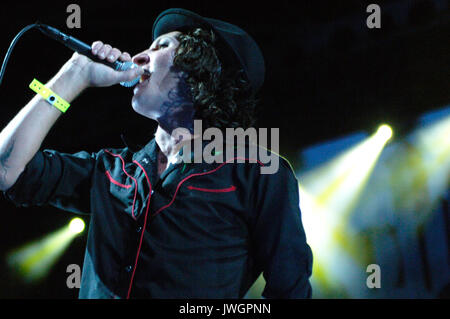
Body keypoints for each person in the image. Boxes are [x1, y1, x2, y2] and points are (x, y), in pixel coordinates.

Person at [0, 8, 312, 298]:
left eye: (160, 46)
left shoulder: (256, 171)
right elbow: (5, 168)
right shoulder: (110, 169)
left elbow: (290, 288)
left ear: (200, 70)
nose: (138, 56)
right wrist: (74, 75)